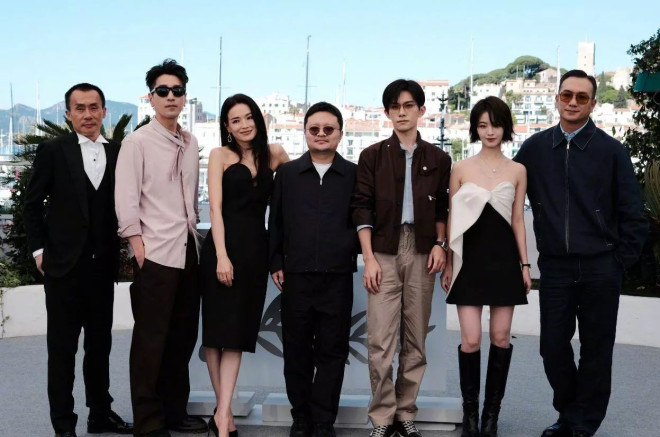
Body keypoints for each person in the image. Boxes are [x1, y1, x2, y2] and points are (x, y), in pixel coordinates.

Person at [514, 69, 648, 437]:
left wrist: (619, 262)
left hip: (601, 267)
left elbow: (633, 214)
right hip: (555, 267)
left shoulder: (612, 151)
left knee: (596, 350)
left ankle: (581, 424)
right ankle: (570, 412)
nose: (573, 102)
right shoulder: (535, 149)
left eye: (582, 97)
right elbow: (505, 193)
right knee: (551, 347)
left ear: (593, 103)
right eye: (567, 95)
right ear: (557, 98)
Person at [23, 83, 133, 437]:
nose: (88, 114)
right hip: (63, 268)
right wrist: (39, 251)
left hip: (102, 268)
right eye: (80, 108)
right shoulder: (53, 150)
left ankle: (100, 414)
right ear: (68, 114)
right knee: (62, 351)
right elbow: (31, 204)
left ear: (104, 112)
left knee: (100, 347)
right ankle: (63, 425)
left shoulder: (118, 152)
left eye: (94, 107)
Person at [352, 79, 451, 437]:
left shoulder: (439, 158)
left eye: (409, 105)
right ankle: (382, 417)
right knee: (380, 340)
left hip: (422, 248)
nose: (402, 112)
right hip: (383, 250)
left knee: (415, 339)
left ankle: (405, 411)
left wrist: (440, 243)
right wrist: (369, 258)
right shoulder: (372, 156)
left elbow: (443, 207)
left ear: (422, 110)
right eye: (395, 107)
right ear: (387, 112)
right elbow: (361, 207)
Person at [115, 59, 207, 437]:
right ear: (150, 97)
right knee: (150, 343)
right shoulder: (136, 142)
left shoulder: (191, 142)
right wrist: (138, 247)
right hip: (154, 254)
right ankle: (149, 422)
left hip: (188, 251)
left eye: (177, 91)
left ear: (185, 97)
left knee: (182, 339)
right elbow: (125, 200)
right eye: (163, 91)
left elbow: (191, 199)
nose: (171, 96)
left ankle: (175, 412)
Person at [440, 97, 531, 437]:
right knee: (471, 339)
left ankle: (491, 417)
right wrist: (449, 264)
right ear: (475, 129)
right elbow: (453, 219)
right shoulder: (460, 169)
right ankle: (470, 417)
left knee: (501, 337)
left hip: (504, 260)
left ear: (506, 127)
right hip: (469, 260)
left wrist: (525, 264)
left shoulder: (518, 170)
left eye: (495, 124)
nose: (489, 131)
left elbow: (518, 220)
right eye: (482, 125)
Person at [199, 93, 288, 437]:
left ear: (258, 119)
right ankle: (224, 417)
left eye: (248, 117)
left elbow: (297, 186)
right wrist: (221, 255)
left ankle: (222, 414)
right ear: (227, 126)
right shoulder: (219, 155)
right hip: (221, 250)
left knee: (236, 335)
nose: (244, 124)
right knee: (215, 334)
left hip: (255, 251)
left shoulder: (275, 154)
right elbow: (215, 209)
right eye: (235, 120)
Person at [269, 102, 358, 437]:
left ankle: (323, 421)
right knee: (296, 352)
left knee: (333, 352)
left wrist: (348, 249)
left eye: (328, 129)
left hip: (338, 277)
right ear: (305, 132)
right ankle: (301, 417)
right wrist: (276, 262)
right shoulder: (288, 174)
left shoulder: (354, 174)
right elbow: (276, 222)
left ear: (340, 134)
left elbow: (363, 220)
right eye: (314, 129)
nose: (321, 134)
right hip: (296, 277)